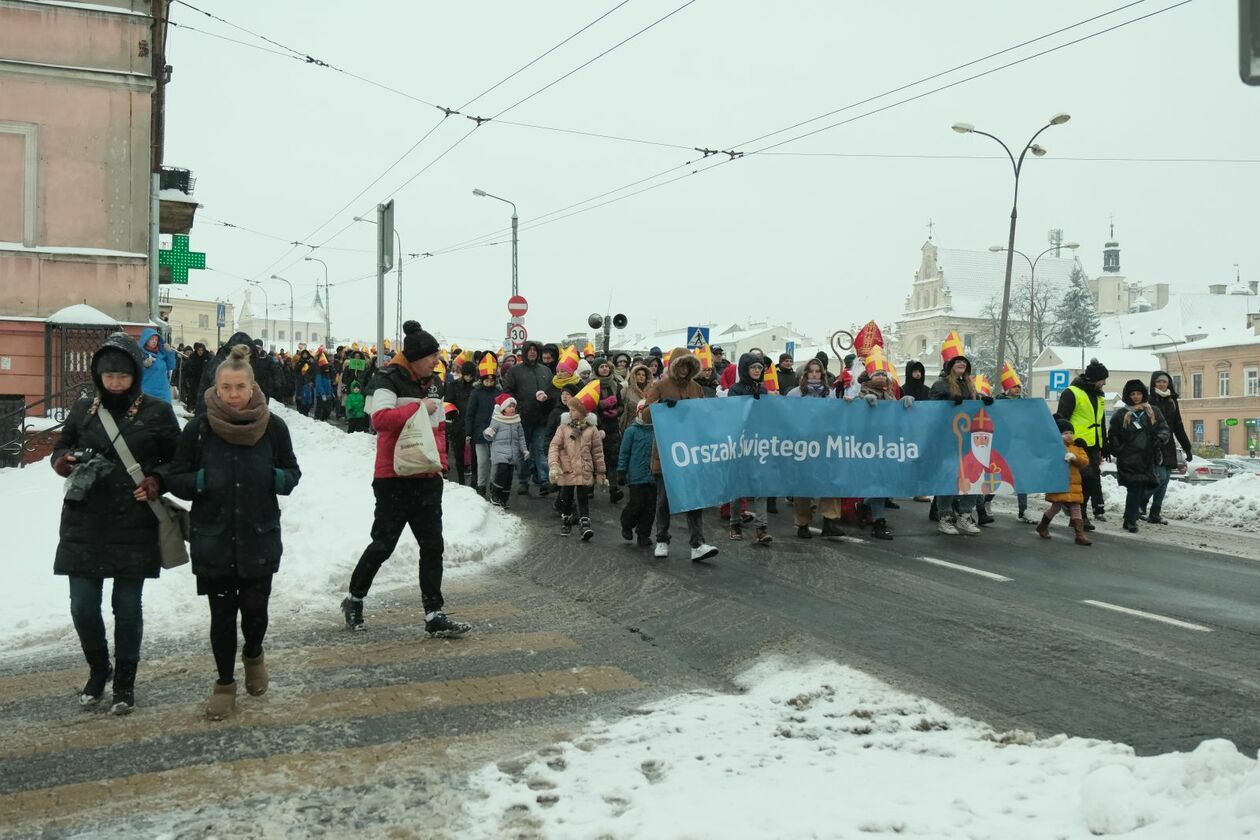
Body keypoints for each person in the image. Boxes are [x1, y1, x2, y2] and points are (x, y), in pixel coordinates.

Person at [161, 345, 301, 720]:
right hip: (215, 537)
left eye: (240, 386)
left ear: (252, 386)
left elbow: (292, 472)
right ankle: (224, 683)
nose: (234, 394)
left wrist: (276, 478)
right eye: (226, 388)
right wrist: (202, 480)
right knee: (221, 617)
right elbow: (176, 476)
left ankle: (253, 652)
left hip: (259, 534)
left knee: (255, 612)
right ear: (216, 389)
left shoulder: (272, 427)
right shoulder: (200, 429)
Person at [50, 333, 181, 714]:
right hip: (84, 520)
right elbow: (60, 449)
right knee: (83, 606)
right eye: (109, 378)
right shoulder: (84, 409)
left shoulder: (156, 411)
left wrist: (156, 481)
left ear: (136, 375)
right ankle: (98, 668)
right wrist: (65, 461)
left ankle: (125, 681)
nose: (115, 384)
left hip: (134, 522)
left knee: (127, 608)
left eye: (123, 377)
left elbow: (177, 461)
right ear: (98, 377)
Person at [340, 321, 470, 637]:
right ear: (415, 357)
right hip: (393, 476)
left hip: (426, 476)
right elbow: (380, 420)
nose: (436, 362)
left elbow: (437, 428)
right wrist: (418, 408)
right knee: (384, 544)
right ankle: (354, 599)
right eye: (431, 357)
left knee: (432, 545)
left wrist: (440, 464)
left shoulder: (434, 383)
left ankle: (433, 613)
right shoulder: (386, 379)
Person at [645, 348, 719, 562]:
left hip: (691, 451)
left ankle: (697, 543)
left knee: (694, 499)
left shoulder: (697, 388)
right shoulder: (660, 386)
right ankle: (661, 539)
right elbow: (645, 416)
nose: (685, 370)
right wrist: (661, 407)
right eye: (682, 365)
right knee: (665, 500)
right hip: (666, 451)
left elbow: (705, 417)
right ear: (675, 365)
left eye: (689, 366)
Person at [929, 350, 991, 536]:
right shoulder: (941, 384)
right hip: (948, 439)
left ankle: (965, 515)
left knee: (973, 477)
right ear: (950, 367)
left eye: (964, 361)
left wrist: (984, 402)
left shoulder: (971, 387)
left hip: (969, 439)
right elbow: (931, 405)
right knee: (948, 477)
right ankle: (945, 517)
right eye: (958, 361)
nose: (962, 363)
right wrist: (947, 398)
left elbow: (977, 410)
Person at [855, 366, 916, 540]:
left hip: (888, 445)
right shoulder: (862, 391)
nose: (881, 377)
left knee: (884, 484)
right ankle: (878, 523)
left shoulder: (890, 394)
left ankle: (865, 505)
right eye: (877, 374)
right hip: (869, 445)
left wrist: (905, 402)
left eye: (883, 374)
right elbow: (852, 412)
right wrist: (863, 402)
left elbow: (895, 416)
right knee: (878, 483)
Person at [788, 358, 844, 539]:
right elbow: (787, 418)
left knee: (830, 482)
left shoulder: (830, 394)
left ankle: (830, 521)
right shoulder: (795, 394)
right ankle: (803, 523)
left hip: (825, 444)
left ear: (822, 373)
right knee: (803, 486)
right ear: (805, 373)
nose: (814, 374)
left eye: (817, 371)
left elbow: (837, 417)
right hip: (803, 446)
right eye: (811, 371)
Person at [1108, 379, 1170, 533]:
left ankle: (1131, 515)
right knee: (1134, 488)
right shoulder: (1121, 413)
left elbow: (1164, 429)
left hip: (1148, 457)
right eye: (1133, 394)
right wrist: (1118, 448)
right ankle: (1130, 520)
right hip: (1128, 458)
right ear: (1128, 396)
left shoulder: (1152, 411)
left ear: (1144, 394)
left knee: (1145, 487)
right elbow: (1113, 433)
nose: (1136, 397)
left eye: (1139, 393)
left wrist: (1159, 439)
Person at [1056, 359, 1110, 528]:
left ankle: (1077, 514)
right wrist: (1065, 439)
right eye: (1102, 380)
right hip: (1076, 444)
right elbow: (1061, 418)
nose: (1104, 383)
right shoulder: (1071, 392)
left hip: (1093, 445)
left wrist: (1104, 443)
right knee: (1082, 479)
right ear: (1095, 379)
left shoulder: (1099, 395)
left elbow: (1100, 420)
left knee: (1090, 481)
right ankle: (1079, 515)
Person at [726, 353, 773, 545]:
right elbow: (733, 415)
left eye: (759, 368)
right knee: (739, 485)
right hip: (740, 443)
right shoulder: (735, 390)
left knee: (761, 486)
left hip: (759, 443)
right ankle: (735, 523)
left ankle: (761, 528)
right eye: (753, 367)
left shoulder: (763, 389)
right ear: (745, 369)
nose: (756, 371)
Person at [548, 388, 606, 540]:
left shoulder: (592, 430)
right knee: (566, 496)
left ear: (582, 412)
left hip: (584, 468)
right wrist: (554, 465)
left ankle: (585, 523)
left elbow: (598, 453)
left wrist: (601, 472)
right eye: (570, 409)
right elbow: (554, 446)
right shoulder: (564, 427)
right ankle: (566, 518)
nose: (571, 412)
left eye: (574, 410)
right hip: (567, 468)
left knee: (583, 496)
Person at [501, 341, 554, 495]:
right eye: (529, 350)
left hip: (542, 418)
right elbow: (507, 391)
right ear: (525, 352)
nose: (532, 352)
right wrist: (517, 408)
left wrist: (548, 401)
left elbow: (552, 391)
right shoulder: (515, 371)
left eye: (535, 350)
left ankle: (544, 480)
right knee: (522, 452)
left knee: (540, 450)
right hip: (522, 419)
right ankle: (524, 481)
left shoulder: (545, 371)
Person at [1142, 370, 1193, 524]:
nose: (1162, 384)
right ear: (1153, 383)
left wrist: (1187, 447)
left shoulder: (1172, 401)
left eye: (1165, 381)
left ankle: (1155, 513)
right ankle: (1140, 505)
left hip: (1169, 445)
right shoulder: (1149, 400)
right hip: (1154, 444)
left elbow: (1178, 425)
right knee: (1159, 478)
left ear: (1168, 383)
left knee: (1165, 481)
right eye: (1159, 382)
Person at [1036, 418, 1092, 545]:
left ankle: (1079, 535)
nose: (1069, 436)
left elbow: (1084, 462)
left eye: (1071, 433)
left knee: (1076, 507)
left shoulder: (1077, 447)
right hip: (1059, 482)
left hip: (1074, 483)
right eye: (1065, 433)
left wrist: (1074, 457)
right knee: (1056, 507)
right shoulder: (1054, 447)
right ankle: (1043, 526)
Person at [617, 399, 657, 547]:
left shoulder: (657, 430)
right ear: (639, 412)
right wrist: (621, 470)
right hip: (636, 475)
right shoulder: (631, 431)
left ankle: (643, 534)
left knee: (650, 508)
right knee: (636, 504)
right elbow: (624, 452)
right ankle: (626, 522)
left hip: (653, 476)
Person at [466, 361, 503, 497]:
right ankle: (481, 487)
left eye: (492, 379)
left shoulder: (499, 392)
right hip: (479, 433)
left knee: (494, 462)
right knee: (482, 462)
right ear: (482, 379)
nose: (489, 381)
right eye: (487, 379)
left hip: (496, 434)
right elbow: (470, 414)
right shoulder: (476, 393)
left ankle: (493, 487)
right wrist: (468, 433)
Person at [485, 393, 529, 508]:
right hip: (499, 451)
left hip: (512, 453)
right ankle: (495, 494)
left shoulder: (517, 421)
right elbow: (490, 434)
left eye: (514, 406)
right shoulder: (497, 420)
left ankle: (503, 499)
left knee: (509, 476)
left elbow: (521, 437)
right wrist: (487, 433)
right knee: (502, 472)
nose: (513, 408)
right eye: (510, 406)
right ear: (504, 408)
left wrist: (524, 450)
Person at [593, 357, 624, 504]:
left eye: (606, 366)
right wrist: (602, 407)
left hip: (612, 426)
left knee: (612, 457)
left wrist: (616, 412)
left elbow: (621, 405)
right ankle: (588, 488)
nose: (604, 369)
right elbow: (589, 408)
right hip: (598, 426)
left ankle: (613, 489)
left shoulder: (615, 385)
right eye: (601, 367)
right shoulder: (591, 386)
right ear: (596, 370)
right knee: (595, 457)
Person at [445, 361, 478, 486]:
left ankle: (474, 482)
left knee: (475, 455)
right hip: (458, 424)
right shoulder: (453, 386)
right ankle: (461, 481)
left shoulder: (476, 387)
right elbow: (448, 402)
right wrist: (453, 415)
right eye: (466, 375)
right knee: (458, 454)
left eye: (471, 375)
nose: (468, 377)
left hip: (473, 425)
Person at [137, 327, 177, 403]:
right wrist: (144, 365)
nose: (154, 341)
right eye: (151, 339)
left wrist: (169, 352)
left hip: (163, 392)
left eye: (156, 339)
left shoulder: (161, 354)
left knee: (164, 413)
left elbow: (171, 366)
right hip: (147, 392)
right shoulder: (139, 354)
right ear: (146, 339)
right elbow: (135, 372)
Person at [619, 363, 652, 433]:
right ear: (634, 376)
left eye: (643, 375)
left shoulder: (651, 392)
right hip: (629, 425)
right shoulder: (627, 389)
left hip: (646, 426)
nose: (641, 376)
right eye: (638, 374)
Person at [181, 342, 209, 411]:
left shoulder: (207, 357)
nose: (200, 352)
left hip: (203, 380)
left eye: (202, 350)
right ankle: (191, 408)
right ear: (196, 350)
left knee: (201, 396)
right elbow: (186, 369)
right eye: (199, 350)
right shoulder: (193, 357)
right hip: (193, 380)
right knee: (192, 395)